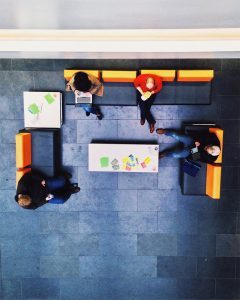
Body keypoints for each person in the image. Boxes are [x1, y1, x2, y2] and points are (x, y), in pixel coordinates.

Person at [15, 171, 80, 210]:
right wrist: (45, 200)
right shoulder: (25, 205)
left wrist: (41, 180)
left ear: (23, 194)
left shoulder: (22, 185)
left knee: (62, 182)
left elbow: (30, 175)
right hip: (46, 197)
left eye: (30, 198)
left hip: (45, 185)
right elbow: (36, 206)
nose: (31, 199)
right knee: (61, 200)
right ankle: (69, 190)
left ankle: (62, 176)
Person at [156, 128, 221, 163]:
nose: (206, 148)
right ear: (211, 144)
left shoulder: (209, 159)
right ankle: (166, 132)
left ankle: (165, 154)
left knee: (177, 155)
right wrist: (197, 141)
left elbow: (196, 157)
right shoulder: (212, 138)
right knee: (178, 136)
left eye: (207, 150)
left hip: (191, 151)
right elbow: (200, 134)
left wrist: (195, 148)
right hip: (193, 140)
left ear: (209, 154)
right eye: (208, 147)